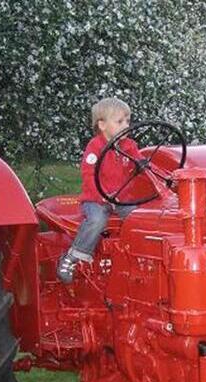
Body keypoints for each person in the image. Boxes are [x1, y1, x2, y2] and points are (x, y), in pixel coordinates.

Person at [57, 97, 142, 284]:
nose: (126, 125)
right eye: (120, 121)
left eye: (128, 121)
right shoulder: (94, 147)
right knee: (96, 220)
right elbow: (89, 175)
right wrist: (103, 196)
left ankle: (137, 258)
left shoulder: (130, 146)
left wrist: (142, 165)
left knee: (140, 219)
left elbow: (139, 161)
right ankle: (72, 257)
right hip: (96, 198)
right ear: (102, 125)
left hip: (121, 200)